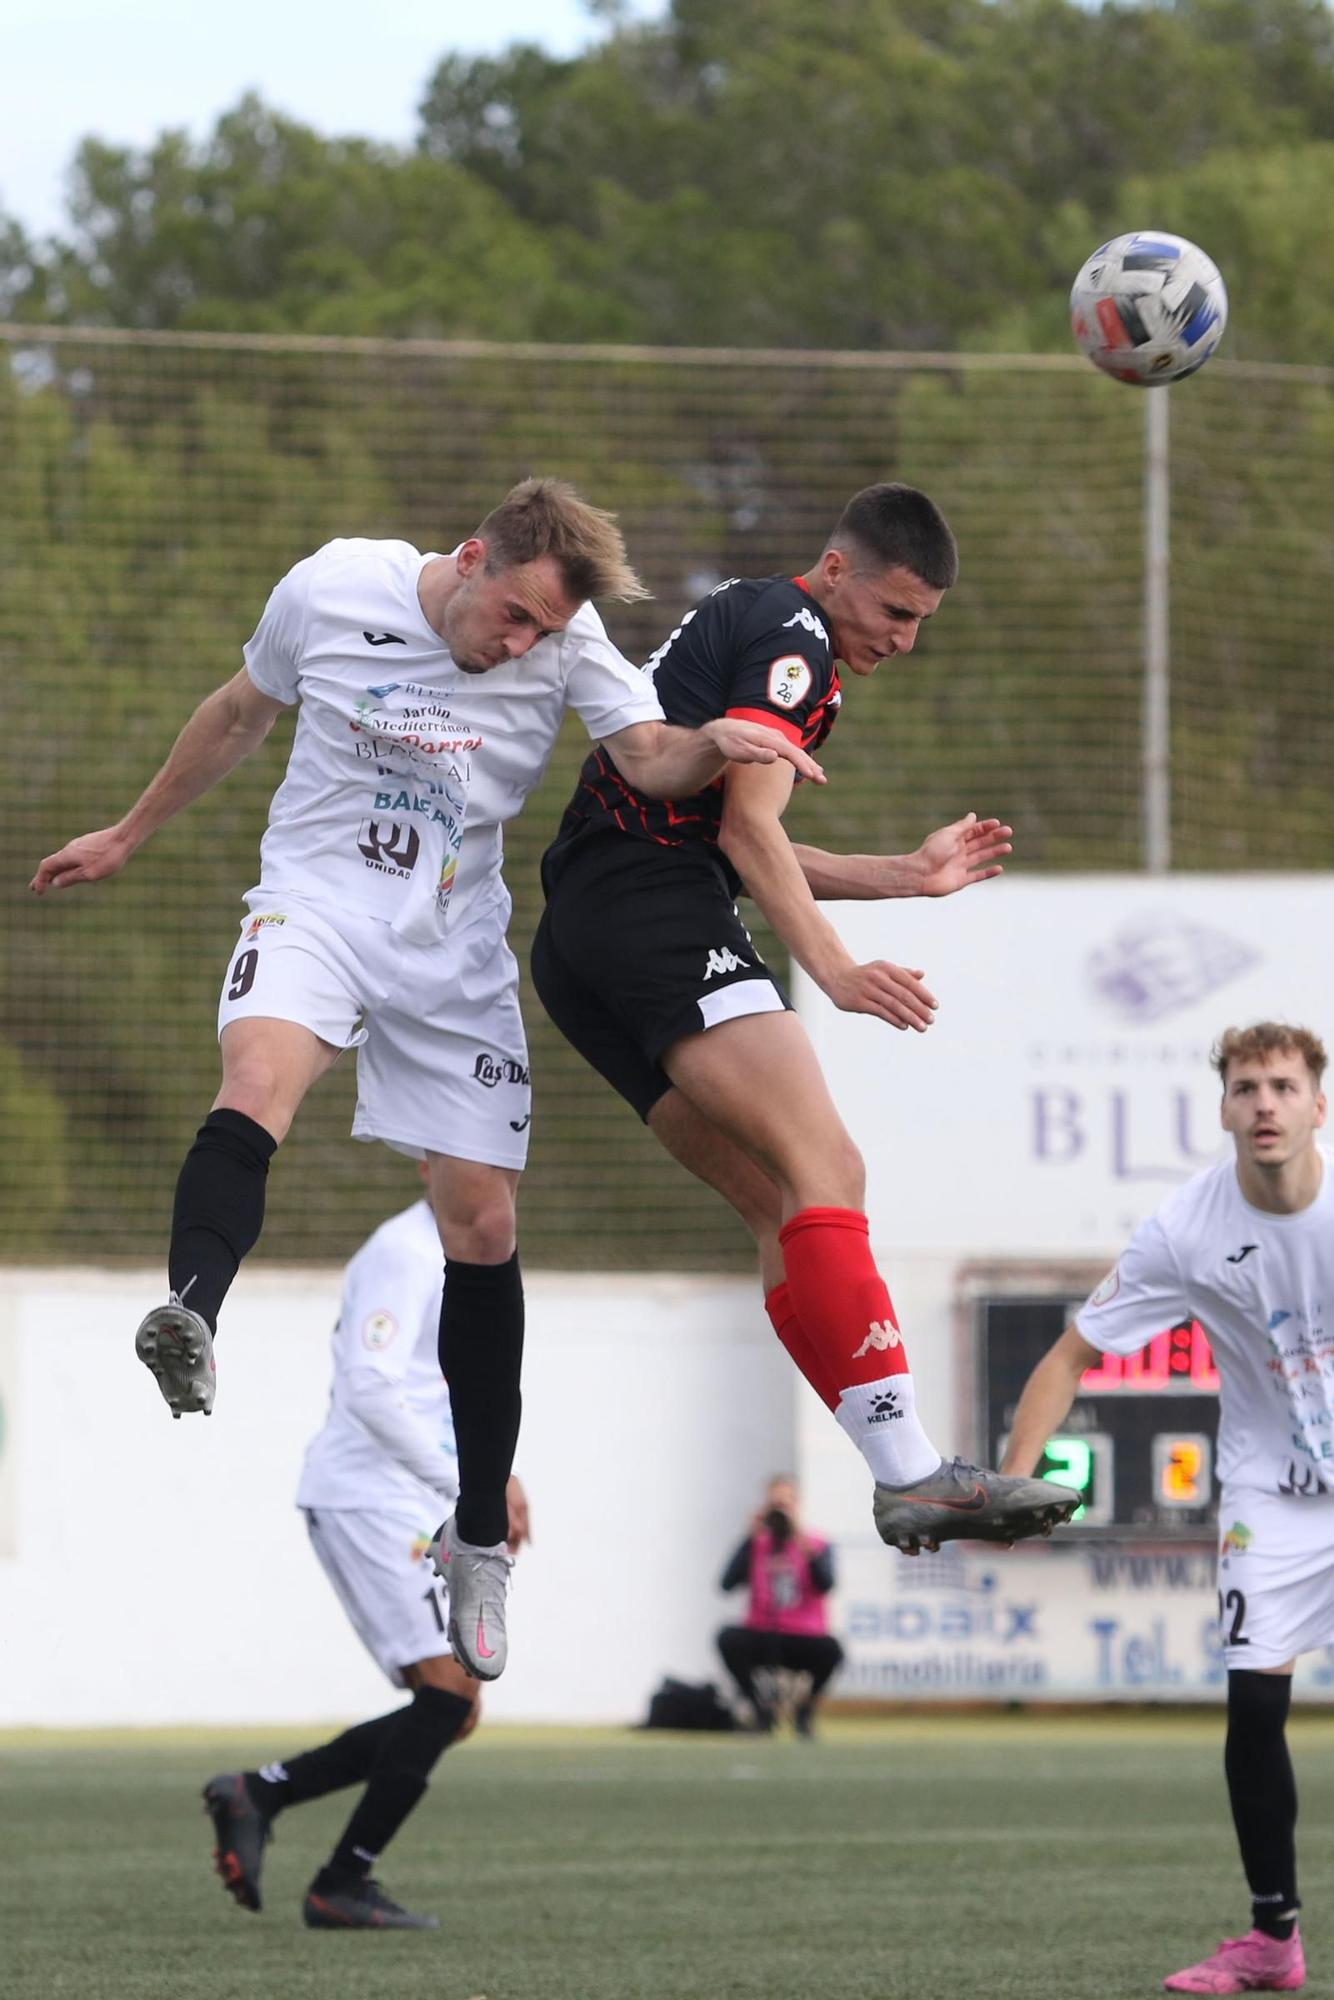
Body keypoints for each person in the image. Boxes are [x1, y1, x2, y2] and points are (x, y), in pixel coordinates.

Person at [29, 479, 822, 1681]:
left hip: (450, 946)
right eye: (512, 616)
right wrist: (127, 832)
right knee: (256, 1075)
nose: (521, 644)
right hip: (318, 903)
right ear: (469, 558)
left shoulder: (567, 645)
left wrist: (718, 740)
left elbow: (650, 758)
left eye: (543, 630)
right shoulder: (331, 586)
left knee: (483, 1223)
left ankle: (475, 1538)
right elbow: (239, 711)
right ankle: (191, 1309)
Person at [530, 480, 1079, 1556]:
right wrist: (831, 966)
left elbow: (729, 831)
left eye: (921, 621)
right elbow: (744, 835)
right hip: (651, 907)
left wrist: (905, 875)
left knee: (776, 1199)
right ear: (835, 572)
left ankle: (901, 1468)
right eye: (895, 611)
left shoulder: (757, 619)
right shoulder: (798, 638)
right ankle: (911, 1470)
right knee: (829, 1167)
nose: (904, 640)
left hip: (582, 938)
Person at [1001, 1021, 1333, 1995]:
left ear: (1318, 1104)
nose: (1263, 1103)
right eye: (1245, 1087)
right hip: (1271, 1496)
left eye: (1282, 1085)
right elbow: (1070, 1356)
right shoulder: (1186, 1229)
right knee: (1252, 1709)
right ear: (1222, 1108)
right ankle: (1271, 1938)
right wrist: (1010, 1480)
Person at [204, 1170, 529, 1930]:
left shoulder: (471, 1247)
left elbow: (446, 1393)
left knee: (455, 1705)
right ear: (429, 1163)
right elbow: (370, 1388)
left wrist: (489, 1481)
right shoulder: (405, 1251)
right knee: (450, 1691)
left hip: (409, 1501)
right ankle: (340, 1881)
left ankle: (263, 1793)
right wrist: (473, 1488)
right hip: (366, 1497)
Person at [717, 1476, 844, 1736]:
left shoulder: (817, 1543)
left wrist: (801, 1540)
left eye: (785, 1504)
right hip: (762, 1631)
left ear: (797, 1505)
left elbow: (827, 1584)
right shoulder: (756, 1544)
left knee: (832, 1650)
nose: (780, 1511)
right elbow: (726, 1584)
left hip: (803, 1635)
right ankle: (760, 1709)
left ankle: (804, 1711)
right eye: (774, 1504)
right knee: (727, 1639)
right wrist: (749, 1538)